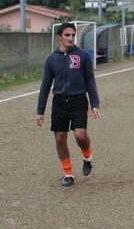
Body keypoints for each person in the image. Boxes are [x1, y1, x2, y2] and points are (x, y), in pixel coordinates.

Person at [36, 23, 100, 187]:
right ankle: (68, 173)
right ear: (60, 37)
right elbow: (45, 85)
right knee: (60, 138)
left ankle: (87, 156)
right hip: (59, 103)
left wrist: (94, 103)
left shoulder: (82, 56)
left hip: (78, 101)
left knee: (80, 135)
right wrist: (40, 111)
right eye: (67, 35)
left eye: (73, 35)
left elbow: (90, 80)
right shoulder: (52, 59)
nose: (71, 38)